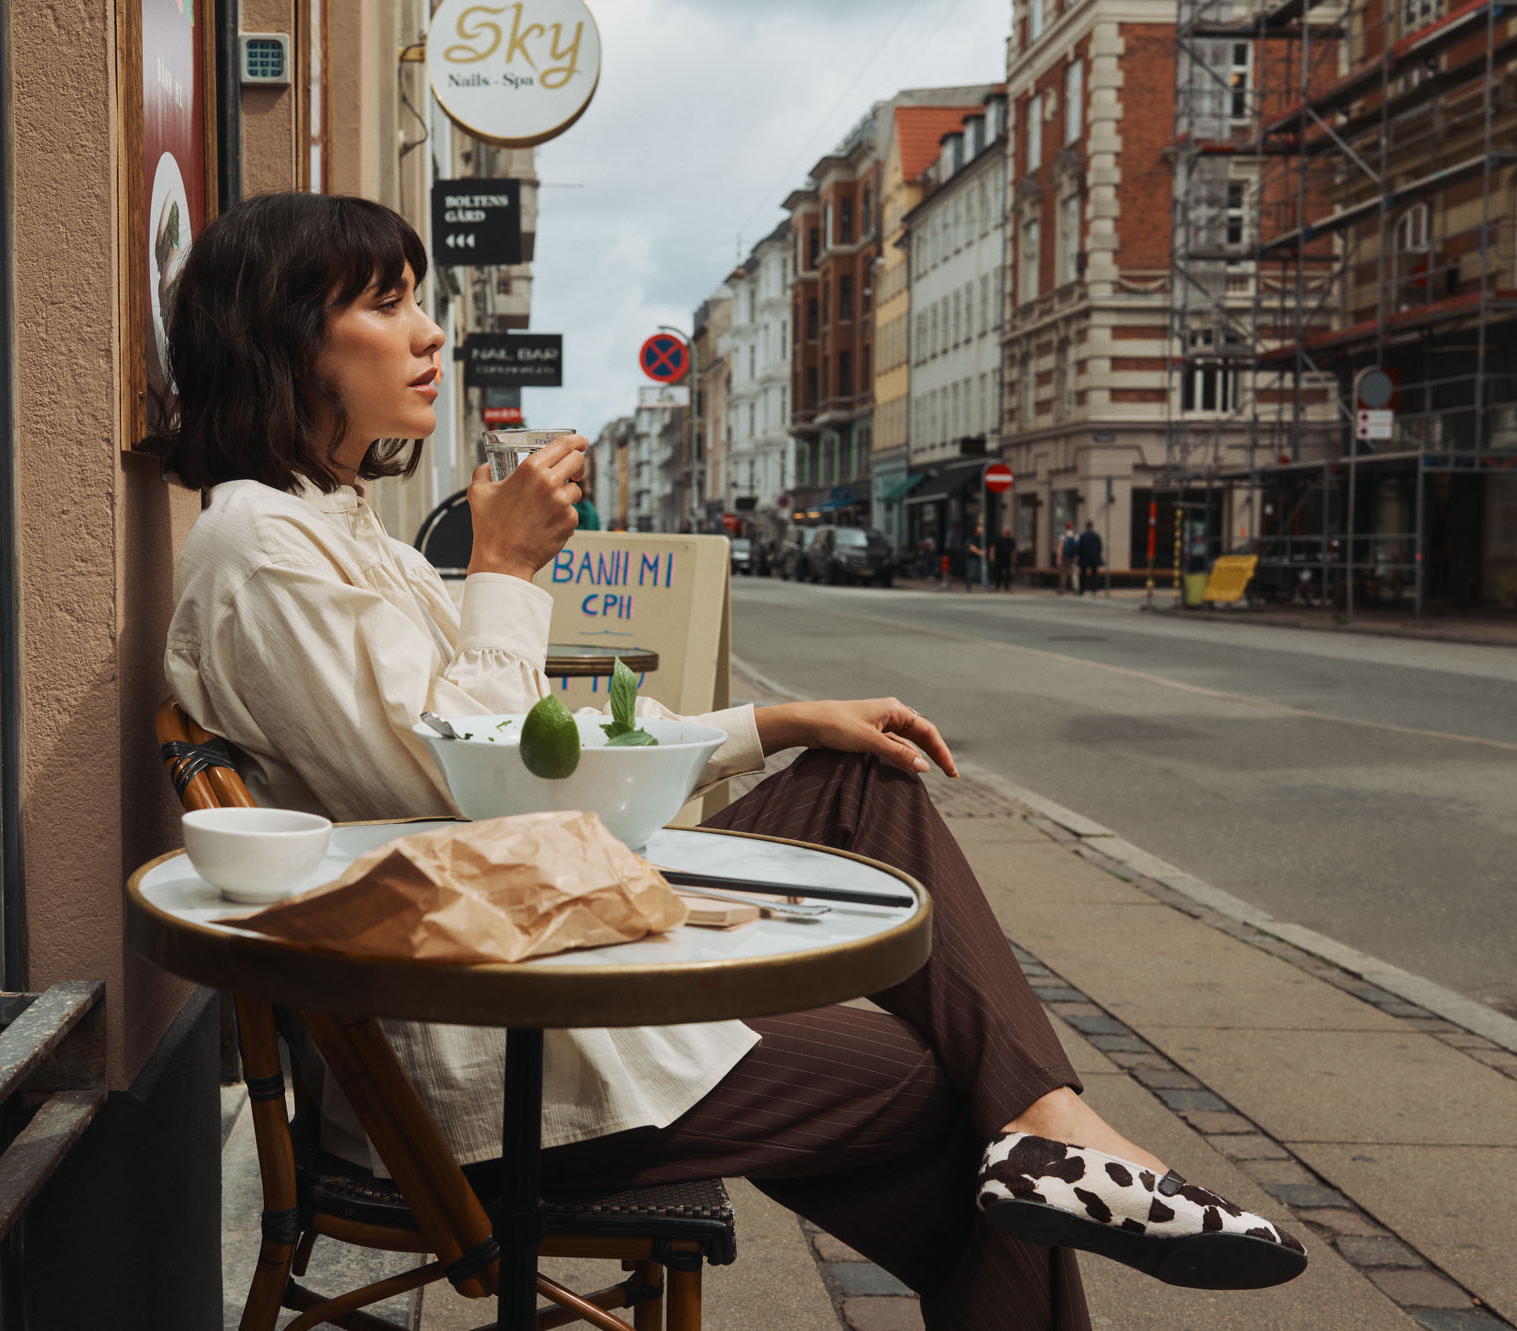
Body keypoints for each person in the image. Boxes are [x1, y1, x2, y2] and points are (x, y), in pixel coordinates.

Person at [159, 193, 1305, 1328]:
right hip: (490, 1055)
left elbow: (529, 761)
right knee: (949, 1105)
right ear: (285, 339)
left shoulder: (332, 524)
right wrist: (504, 569)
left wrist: (779, 722)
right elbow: (471, 787)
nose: (429, 332)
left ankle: (1050, 1121)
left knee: (862, 777)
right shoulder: (260, 545)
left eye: (420, 298)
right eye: (385, 303)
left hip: (533, 960)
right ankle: (1048, 1128)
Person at [1079, 520, 1105, 596]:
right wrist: (1097, 555)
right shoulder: (1096, 536)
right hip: (1094, 558)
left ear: (1086, 526)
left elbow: (1080, 548)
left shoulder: (1083, 536)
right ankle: (1094, 590)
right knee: (1094, 575)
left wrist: (1080, 556)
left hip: (1084, 558)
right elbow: (1100, 547)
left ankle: (1082, 590)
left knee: (1083, 574)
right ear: (1092, 526)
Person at [1057, 521, 1079, 595]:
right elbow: (1077, 547)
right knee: (1074, 573)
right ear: (1072, 527)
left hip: (1065, 557)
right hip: (1073, 557)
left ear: (1065, 527)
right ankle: (1075, 589)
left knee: (1064, 573)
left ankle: (1062, 589)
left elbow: (1060, 548)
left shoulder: (1063, 536)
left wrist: (1059, 559)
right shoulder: (1076, 536)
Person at [993, 526, 1017, 592]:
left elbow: (1013, 550)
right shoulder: (998, 539)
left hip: (1007, 558)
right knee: (998, 572)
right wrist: (992, 556)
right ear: (1003, 532)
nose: (1007, 533)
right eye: (1006, 532)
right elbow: (993, 547)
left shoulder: (1011, 540)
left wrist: (1014, 558)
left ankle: (1007, 586)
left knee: (1007, 573)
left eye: (1008, 532)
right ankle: (997, 585)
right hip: (999, 558)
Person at [965, 522, 986, 592]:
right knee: (971, 573)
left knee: (982, 572)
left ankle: (985, 587)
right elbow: (971, 547)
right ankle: (969, 588)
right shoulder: (973, 537)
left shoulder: (982, 538)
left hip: (979, 559)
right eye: (980, 529)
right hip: (972, 558)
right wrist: (980, 553)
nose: (982, 530)